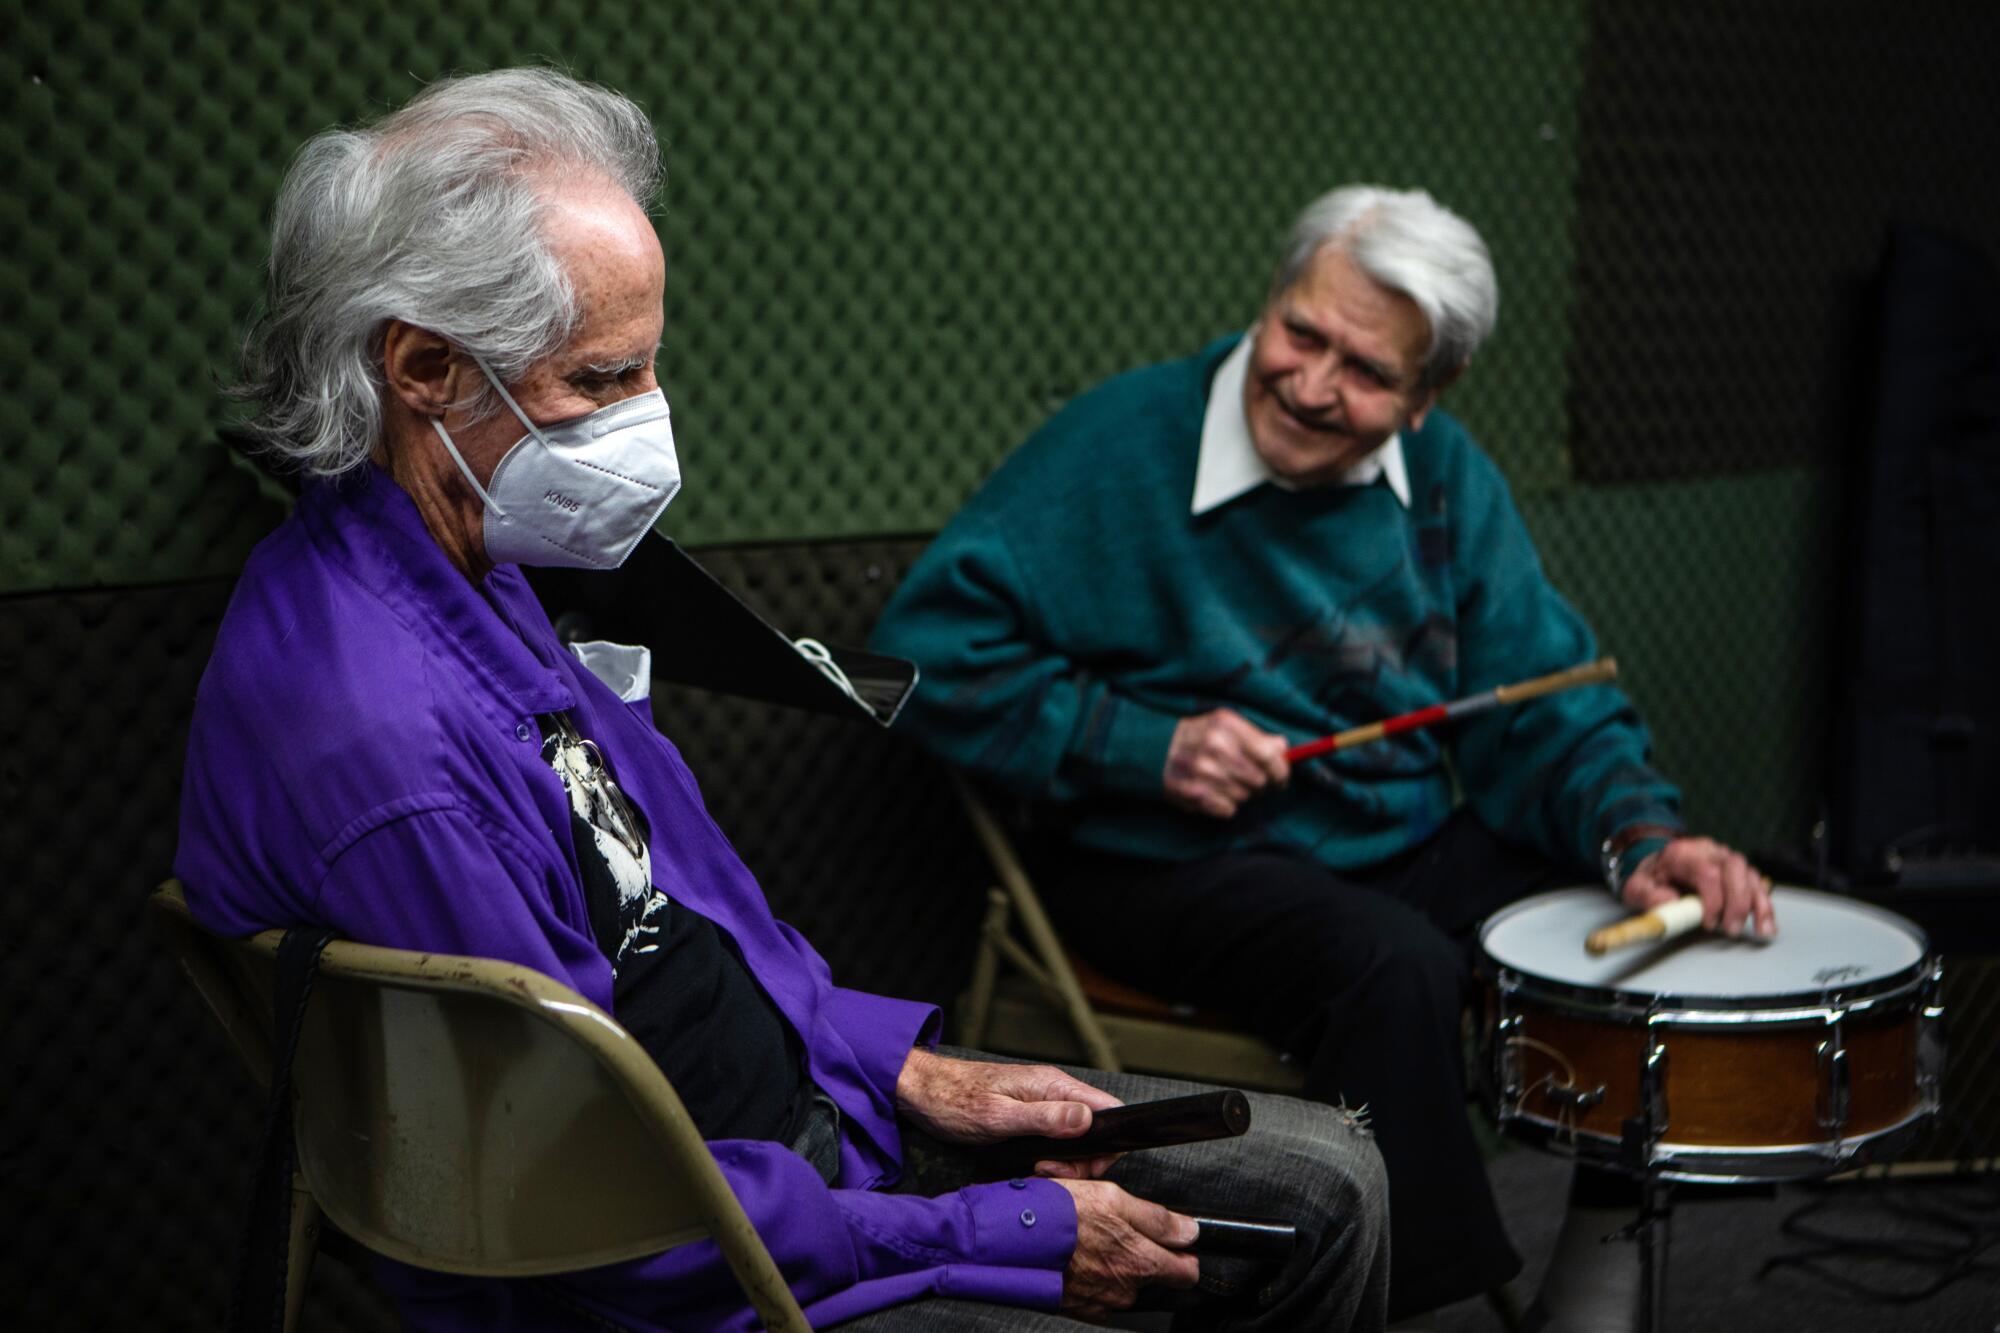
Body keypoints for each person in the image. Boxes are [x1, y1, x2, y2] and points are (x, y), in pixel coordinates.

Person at [174, 69, 1390, 1332]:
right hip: (710, 1261)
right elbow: (586, 1205)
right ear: (426, 368)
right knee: (1279, 1229)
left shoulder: (473, 573)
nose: (647, 419)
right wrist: (997, 1230)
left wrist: (909, 1069)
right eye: (602, 378)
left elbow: (685, 930)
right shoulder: (385, 749)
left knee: (1331, 1178)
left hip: (797, 1136)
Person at [870, 184, 1777, 1328]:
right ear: (1271, 300)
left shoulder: (1447, 482)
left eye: (1362, 370)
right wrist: (1146, 744)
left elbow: (1539, 704)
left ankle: (1599, 1251)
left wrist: (1636, 835)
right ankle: (1407, 1302)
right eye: (1298, 333)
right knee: (1391, 967)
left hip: (1381, 837)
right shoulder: (1121, 442)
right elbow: (922, 655)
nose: (1306, 383)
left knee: (1604, 933)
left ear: (1426, 397)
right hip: (1156, 855)